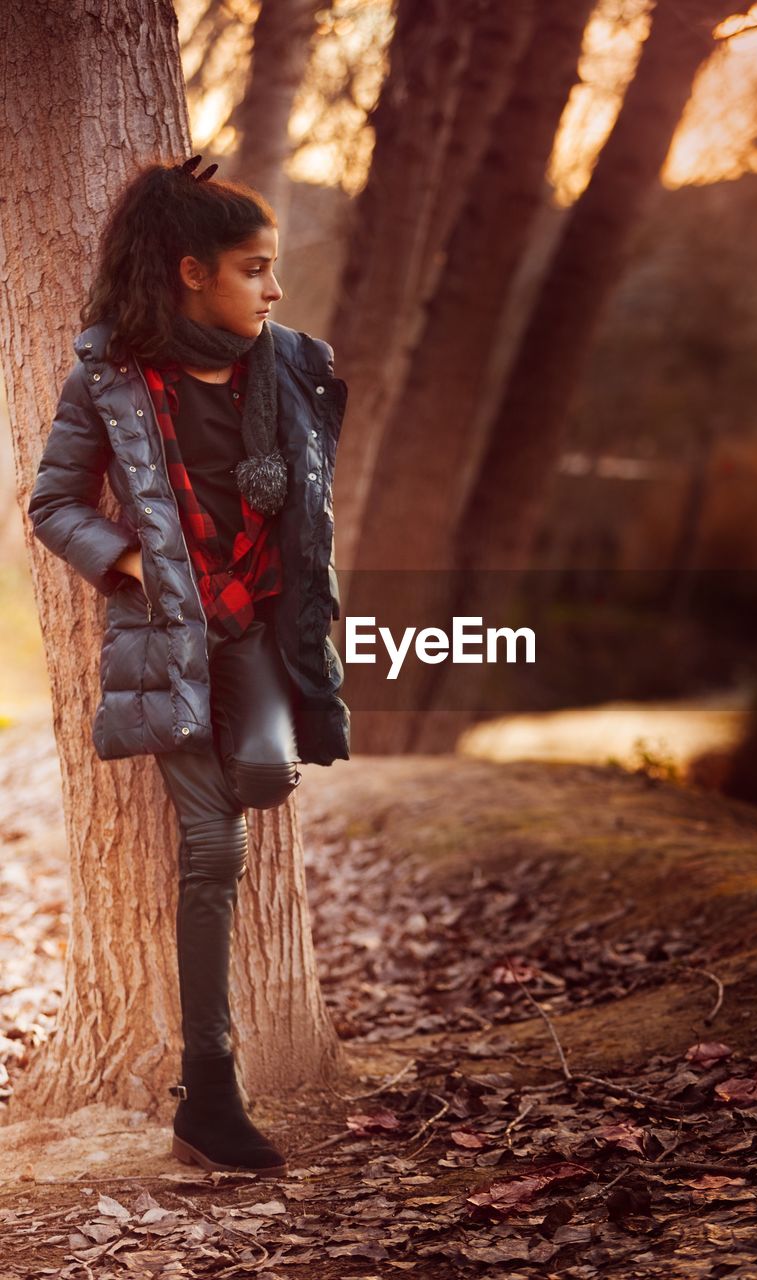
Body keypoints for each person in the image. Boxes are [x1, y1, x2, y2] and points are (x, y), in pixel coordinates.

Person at [27, 154, 350, 1177]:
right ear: (188, 271)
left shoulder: (293, 363)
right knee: (211, 850)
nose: (274, 286)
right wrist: (134, 563)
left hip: (259, 632)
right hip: (170, 639)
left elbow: (311, 497)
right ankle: (209, 1093)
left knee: (265, 775)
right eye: (254, 268)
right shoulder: (112, 379)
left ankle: (213, 1088)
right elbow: (52, 505)